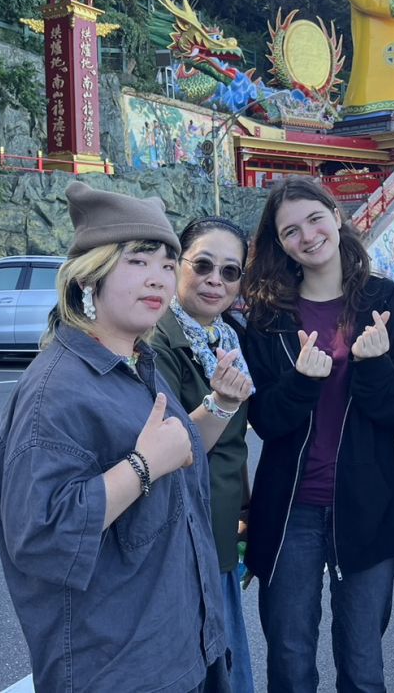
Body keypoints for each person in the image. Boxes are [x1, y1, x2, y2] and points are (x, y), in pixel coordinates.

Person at [0, 181, 227, 693]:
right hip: (117, 667)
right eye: (137, 261)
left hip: (178, 645)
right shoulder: (57, 391)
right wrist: (143, 467)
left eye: (168, 264)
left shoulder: (139, 363)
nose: (158, 278)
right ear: (89, 277)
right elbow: (40, 535)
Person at [241, 176, 394, 693]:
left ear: (336, 217)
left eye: (315, 219)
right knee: (290, 658)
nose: (308, 236)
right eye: (290, 231)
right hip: (290, 507)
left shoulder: (385, 301)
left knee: (363, 664)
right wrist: (302, 382)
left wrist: (373, 365)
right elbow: (264, 419)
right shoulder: (269, 316)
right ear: (280, 244)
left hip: (366, 502)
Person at [152, 216, 257, 693]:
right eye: (203, 265)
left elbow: (234, 444)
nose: (216, 280)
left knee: (226, 661)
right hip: (182, 535)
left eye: (230, 271)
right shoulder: (158, 341)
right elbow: (170, 449)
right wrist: (220, 403)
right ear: (177, 264)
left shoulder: (227, 336)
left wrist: (243, 509)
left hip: (219, 525)